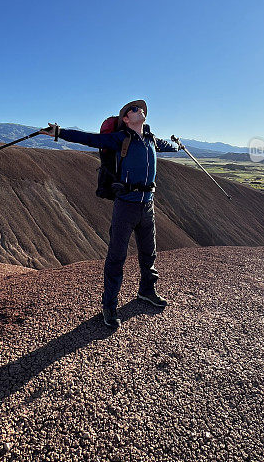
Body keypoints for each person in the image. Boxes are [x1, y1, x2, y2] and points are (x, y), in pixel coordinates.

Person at [40, 99, 179, 329]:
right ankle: (110, 305)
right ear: (126, 119)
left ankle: (147, 291)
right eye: (134, 109)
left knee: (149, 254)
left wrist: (179, 144)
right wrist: (59, 132)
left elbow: (171, 147)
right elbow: (90, 139)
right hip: (125, 205)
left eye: (140, 108)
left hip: (147, 206)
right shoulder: (120, 138)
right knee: (117, 258)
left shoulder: (151, 139)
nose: (140, 110)